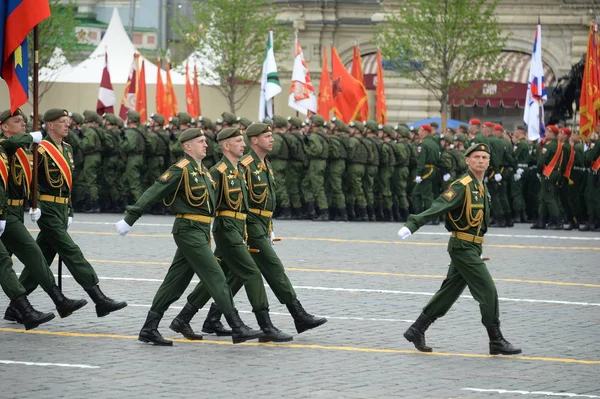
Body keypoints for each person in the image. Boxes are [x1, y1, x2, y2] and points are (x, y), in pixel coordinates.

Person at [174, 123, 327, 340]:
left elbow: (264, 202)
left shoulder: (264, 165)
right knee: (272, 269)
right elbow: (221, 202)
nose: (272, 139)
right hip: (244, 228)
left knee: (230, 274)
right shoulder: (243, 165)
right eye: (267, 136)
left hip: (252, 227)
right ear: (255, 140)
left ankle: (197, 318)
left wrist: (269, 228)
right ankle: (294, 316)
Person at [115, 128, 263, 346]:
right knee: (216, 277)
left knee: (175, 282)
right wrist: (130, 217)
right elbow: (154, 191)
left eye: (205, 141)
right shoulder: (180, 170)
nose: (205, 145)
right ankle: (237, 326)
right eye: (200, 141)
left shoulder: (203, 172)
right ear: (187, 146)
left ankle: (149, 328)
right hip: (188, 230)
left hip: (201, 232)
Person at [397, 143, 522, 356]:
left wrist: (478, 247)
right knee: (488, 291)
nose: (481, 160)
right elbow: (439, 206)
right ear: (467, 160)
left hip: (472, 246)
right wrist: (413, 224)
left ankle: (417, 329)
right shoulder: (462, 185)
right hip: (462, 247)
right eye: (477, 157)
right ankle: (496, 340)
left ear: (489, 162)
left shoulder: (481, 186)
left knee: (449, 292)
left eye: (485, 157)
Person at [15, 109, 127, 319]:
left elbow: (68, 184)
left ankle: (16, 304)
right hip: (46, 209)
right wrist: (34, 203)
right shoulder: (40, 149)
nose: (67, 124)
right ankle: (99, 299)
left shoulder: (67, 149)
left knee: (42, 256)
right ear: (50, 125)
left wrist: (70, 210)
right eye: (62, 121)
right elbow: (31, 179)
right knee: (71, 251)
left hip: (61, 208)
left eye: (67, 121)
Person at [0, 109, 87, 323]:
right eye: (17, 121)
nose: (23, 123)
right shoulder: (7, 146)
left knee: (32, 255)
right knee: (8, 261)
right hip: (6, 213)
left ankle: (56, 300)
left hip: (15, 212)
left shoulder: (22, 150)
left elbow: (29, 180)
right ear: (4, 126)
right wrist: (30, 137)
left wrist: (33, 202)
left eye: (23, 120)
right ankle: (29, 309)